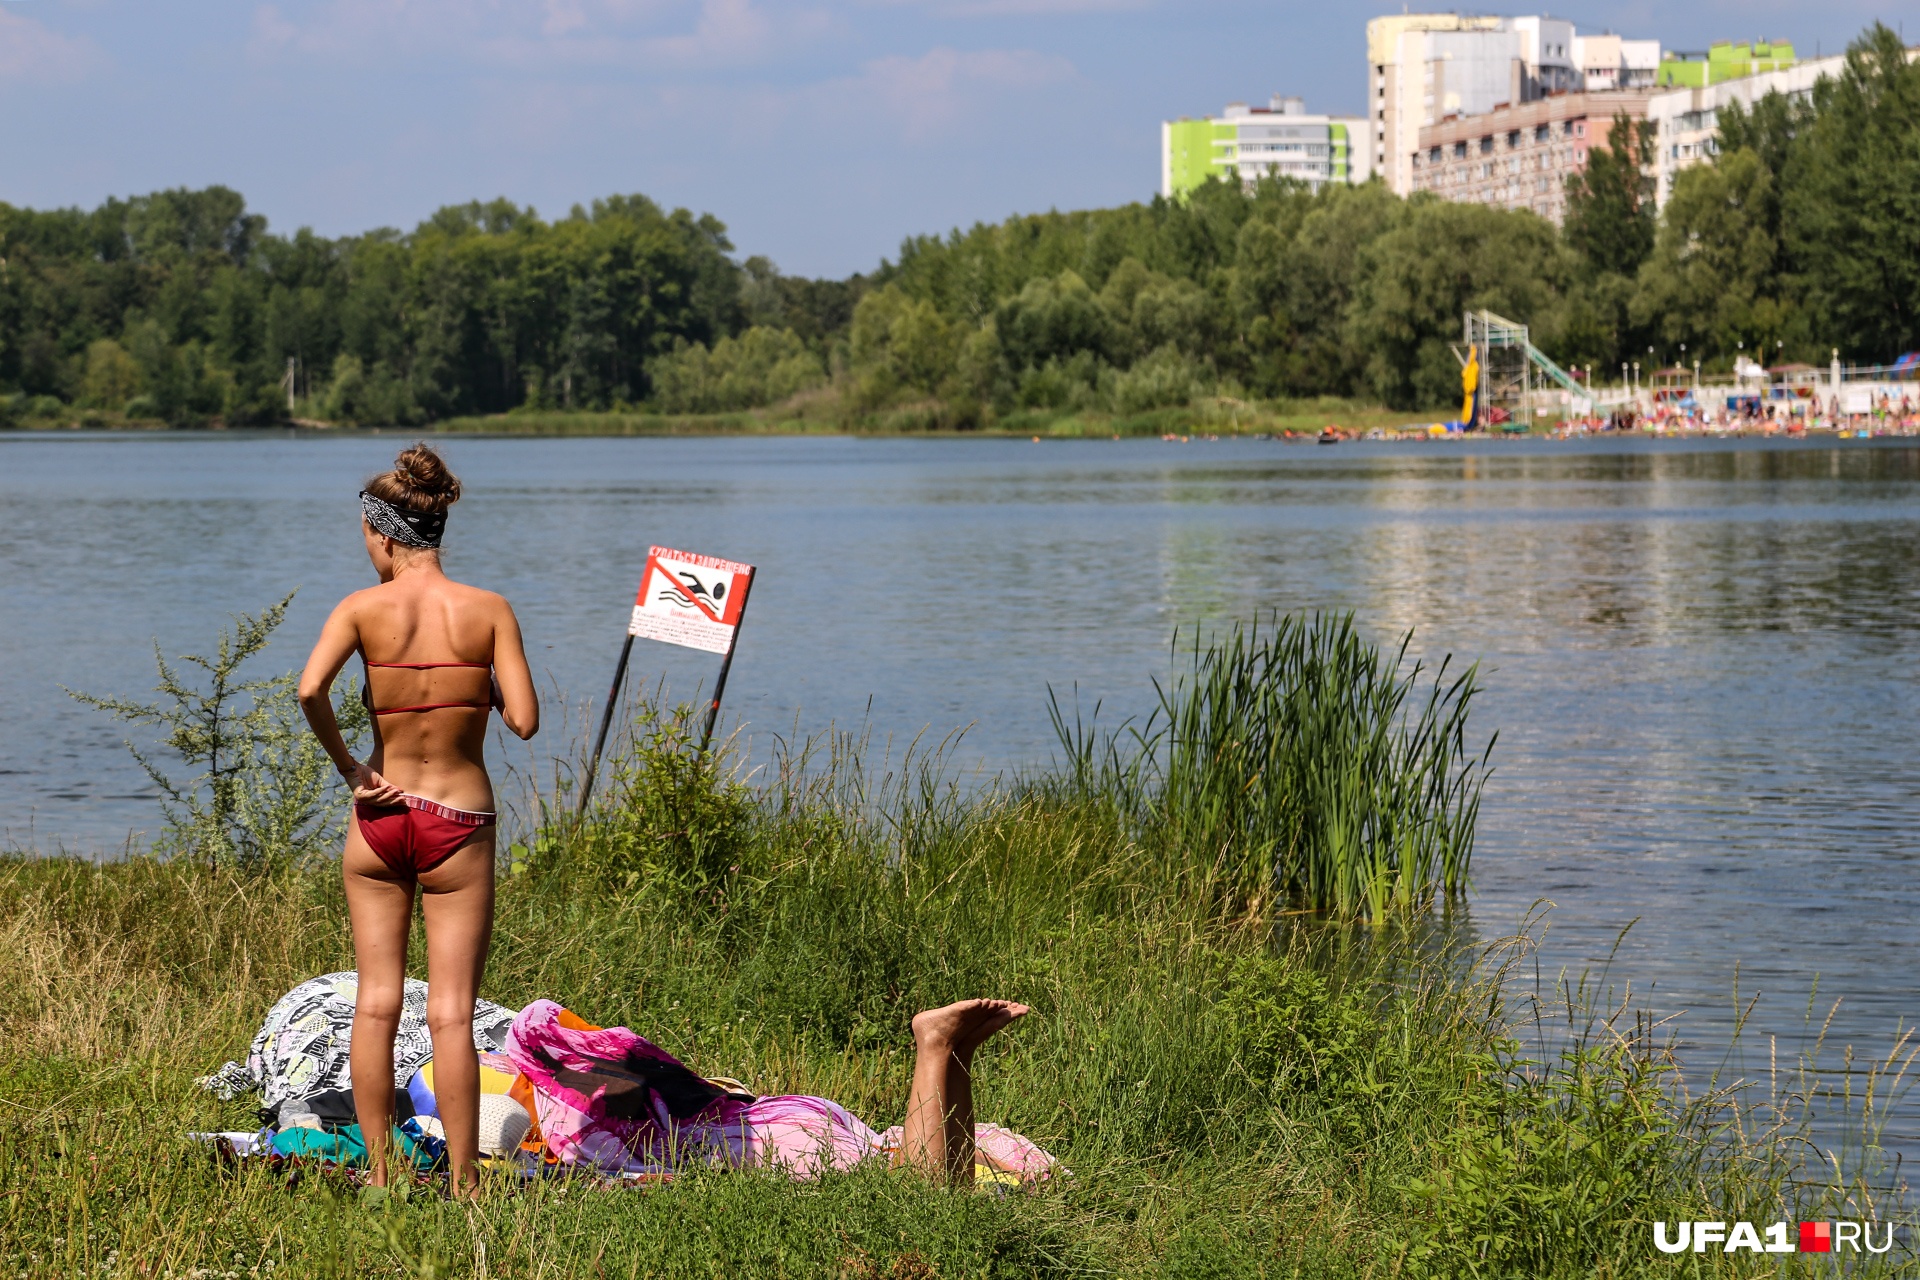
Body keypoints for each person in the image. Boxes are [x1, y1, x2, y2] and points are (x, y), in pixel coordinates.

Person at [297, 444, 538, 1196]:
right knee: (451, 1014)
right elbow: (526, 722)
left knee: (374, 1005)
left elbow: (310, 690)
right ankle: (465, 1183)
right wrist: (486, 687)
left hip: (379, 817)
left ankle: (379, 1174)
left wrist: (352, 771)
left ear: (384, 534)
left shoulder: (361, 609)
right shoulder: (489, 610)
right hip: (459, 823)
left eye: (364, 537)